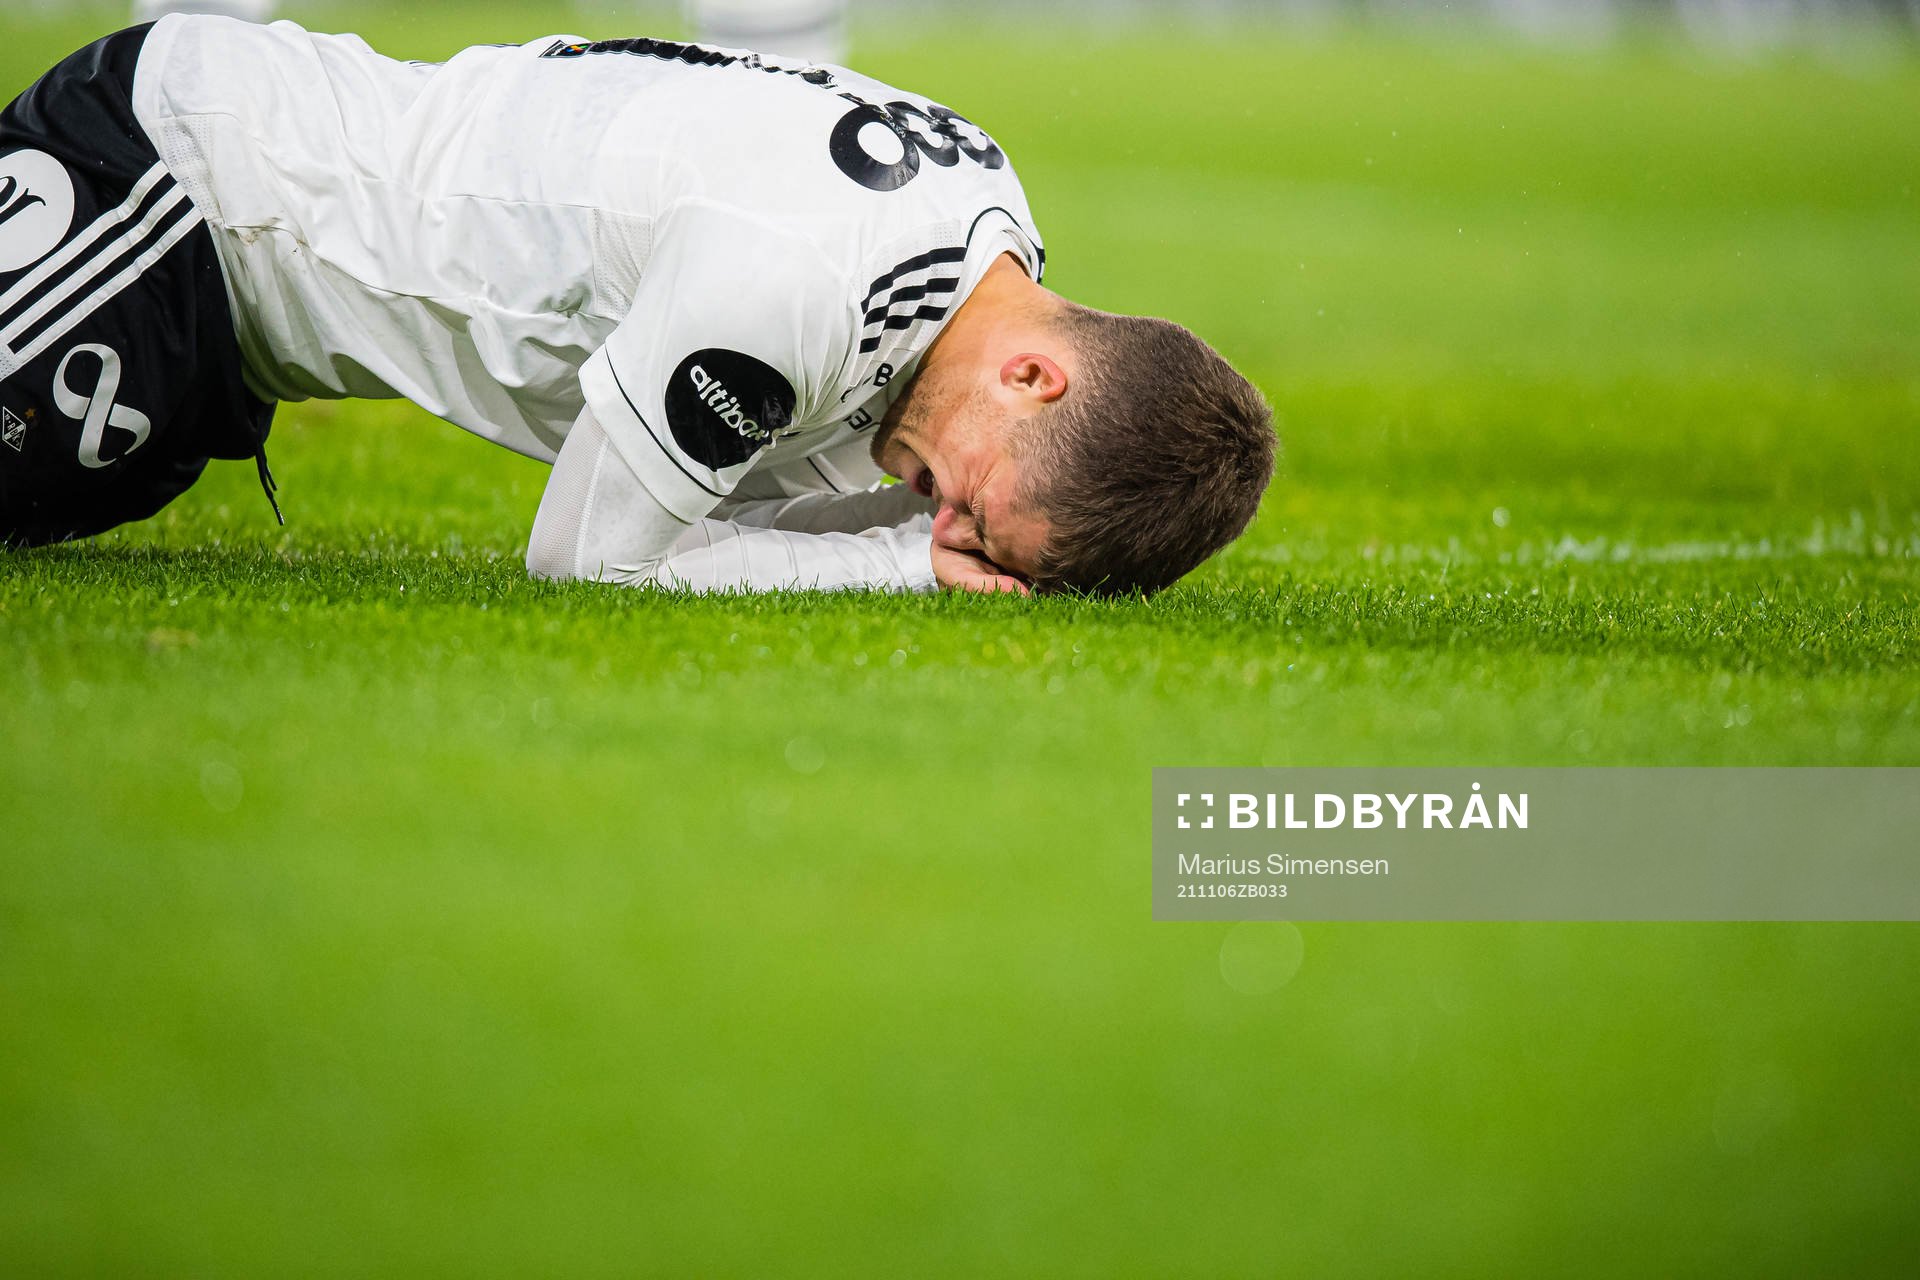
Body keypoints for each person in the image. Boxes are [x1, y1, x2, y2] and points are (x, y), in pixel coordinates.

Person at [0, 16, 1274, 595]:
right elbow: (588, 558)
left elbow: (743, 506)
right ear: (1036, 378)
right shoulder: (798, 278)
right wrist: (900, 566)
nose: (938, 516)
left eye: (969, 541)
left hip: (226, 325)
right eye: (980, 514)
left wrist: (916, 542)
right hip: (180, 196)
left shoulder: (985, 240)